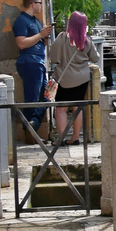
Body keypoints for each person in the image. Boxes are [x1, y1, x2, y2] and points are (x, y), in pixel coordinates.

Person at [47, 10, 102, 142]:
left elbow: (52, 57)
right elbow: (95, 58)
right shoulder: (87, 40)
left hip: (64, 77)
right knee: (77, 107)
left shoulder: (61, 37)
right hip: (82, 78)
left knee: (61, 109)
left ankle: (60, 138)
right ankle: (75, 137)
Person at [12, 0, 54, 131]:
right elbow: (21, 43)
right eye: (40, 2)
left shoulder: (36, 21)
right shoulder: (21, 21)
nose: (41, 5)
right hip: (29, 62)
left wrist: (45, 36)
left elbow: (40, 44)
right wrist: (40, 35)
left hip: (39, 63)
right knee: (32, 97)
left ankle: (33, 123)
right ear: (32, 4)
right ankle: (28, 129)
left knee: (47, 96)